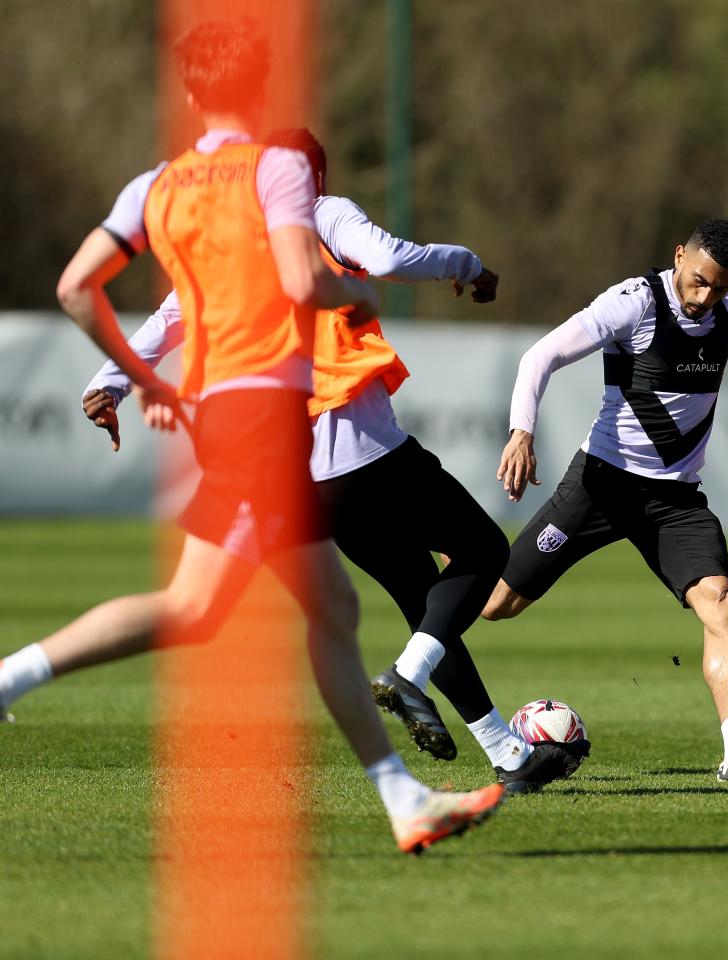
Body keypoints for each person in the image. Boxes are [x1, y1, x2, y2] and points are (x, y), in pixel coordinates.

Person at [0, 21, 503, 853]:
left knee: (334, 607)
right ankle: (14, 673)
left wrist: (140, 377)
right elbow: (305, 277)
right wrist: (357, 301)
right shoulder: (277, 170)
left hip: (230, 417)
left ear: (189, 92)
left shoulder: (154, 187)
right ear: (265, 90)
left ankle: (403, 800)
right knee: (194, 608)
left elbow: (74, 287)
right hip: (265, 418)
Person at [76, 127, 585, 794]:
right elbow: (388, 255)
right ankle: (409, 674)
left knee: (422, 597)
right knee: (486, 551)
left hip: (302, 477)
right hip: (366, 449)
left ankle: (508, 755)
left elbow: (168, 318)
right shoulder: (320, 211)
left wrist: (106, 382)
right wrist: (466, 264)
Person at [481, 204, 728, 782]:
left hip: (675, 501)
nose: (706, 297)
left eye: (720, 287)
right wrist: (521, 431)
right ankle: (453, 560)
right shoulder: (634, 302)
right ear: (678, 256)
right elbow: (541, 356)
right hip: (603, 484)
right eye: (698, 281)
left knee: (724, 604)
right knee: (494, 605)